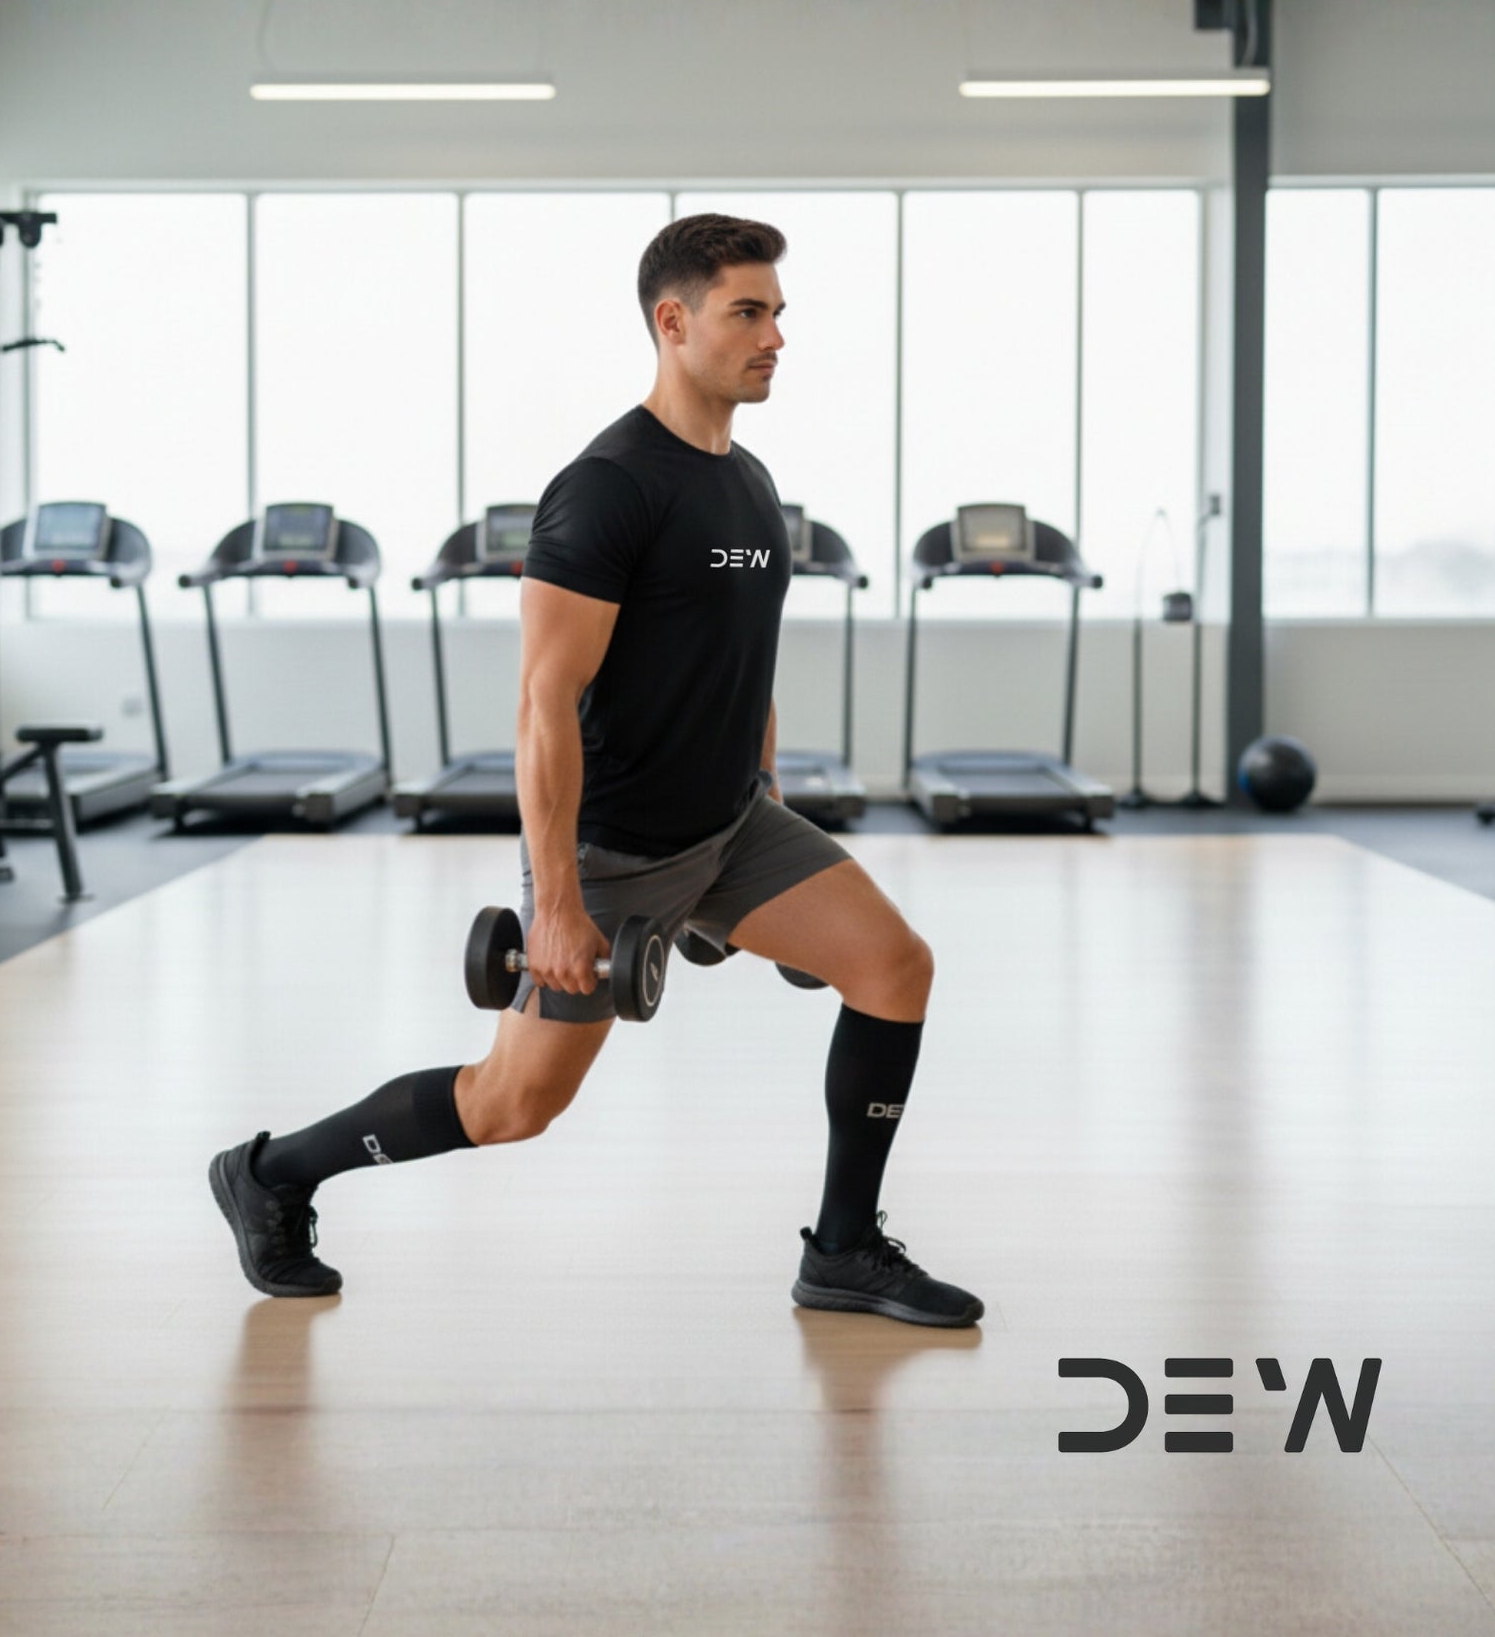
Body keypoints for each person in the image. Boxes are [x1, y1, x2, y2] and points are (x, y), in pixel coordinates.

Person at [210, 213, 982, 1329]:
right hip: (611, 849)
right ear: (673, 323)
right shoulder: (608, 486)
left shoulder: (749, 480)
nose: (774, 336)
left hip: (731, 825)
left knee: (891, 964)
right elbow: (542, 702)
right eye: (747, 312)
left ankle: (844, 1248)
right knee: (511, 1102)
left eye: (776, 313)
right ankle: (272, 1171)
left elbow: (739, 662)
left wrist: (763, 801)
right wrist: (560, 902)